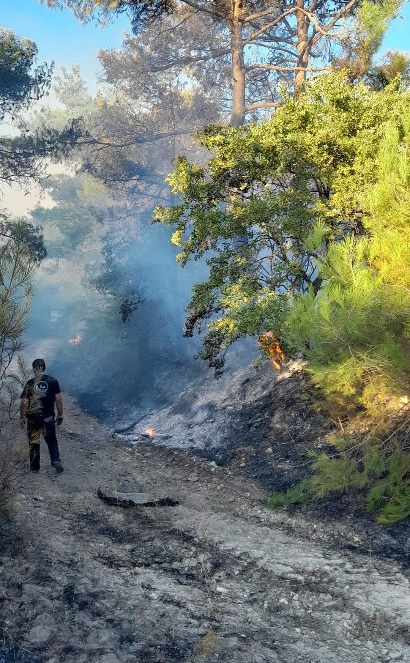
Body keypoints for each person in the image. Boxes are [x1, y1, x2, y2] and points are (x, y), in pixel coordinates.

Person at [20, 359, 64, 474]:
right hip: (47, 418)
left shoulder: (30, 383)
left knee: (34, 442)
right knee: (51, 440)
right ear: (44, 368)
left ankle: (34, 468)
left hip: (33, 419)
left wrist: (22, 417)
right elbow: (58, 399)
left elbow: (24, 402)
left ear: (34, 369)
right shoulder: (52, 381)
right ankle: (55, 460)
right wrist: (60, 414)